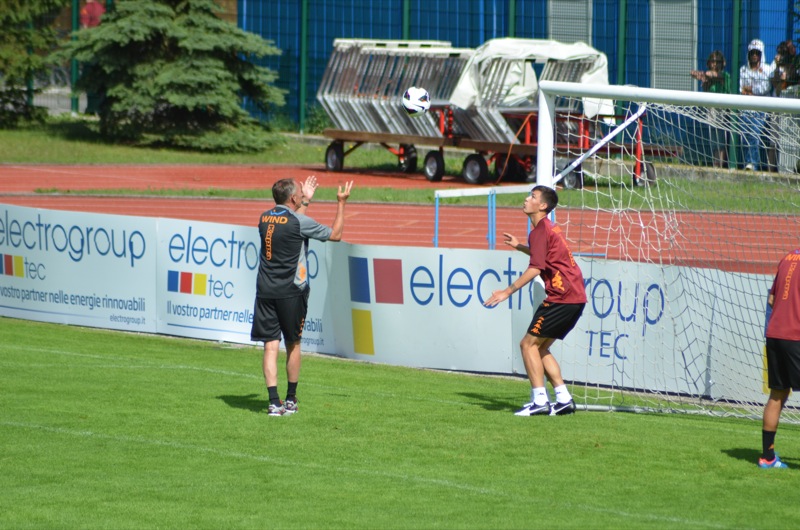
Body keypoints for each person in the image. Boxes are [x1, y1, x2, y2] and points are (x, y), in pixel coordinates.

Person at [251, 175, 354, 416]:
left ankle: (273, 402)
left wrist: (305, 200)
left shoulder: (264, 218)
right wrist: (341, 202)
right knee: (294, 344)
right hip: (291, 292)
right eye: (299, 192)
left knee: (270, 346)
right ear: (293, 198)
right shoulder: (297, 221)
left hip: (265, 290)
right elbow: (335, 234)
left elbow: (295, 220)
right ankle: (290, 399)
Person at [484, 185, 587, 416]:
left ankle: (540, 400)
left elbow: (536, 268)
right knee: (540, 348)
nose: (526, 199)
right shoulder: (546, 229)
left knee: (527, 344)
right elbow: (543, 256)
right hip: (575, 298)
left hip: (562, 298)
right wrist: (519, 246)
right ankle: (563, 399)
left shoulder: (541, 230)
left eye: (532, 196)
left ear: (542, 206)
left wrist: (507, 292)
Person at [759, 247, 800, 469]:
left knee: (777, 394)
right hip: (795, 336)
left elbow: (772, 299)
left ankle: (767, 457)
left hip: (774, 334)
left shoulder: (788, 258)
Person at [691, 50, 732, 167]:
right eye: (712, 62)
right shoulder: (708, 78)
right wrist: (704, 80)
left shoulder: (725, 75)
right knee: (713, 138)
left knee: (721, 138)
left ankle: (721, 163)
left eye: (717, 62)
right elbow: (694, 74)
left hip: (722, 110)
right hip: (711, 110)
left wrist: (705, 75)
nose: (715, 64)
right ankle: (715, 163)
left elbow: (715, 76)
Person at [739, 39, 774, 171]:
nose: (754, 55)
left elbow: (766, 87)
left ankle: (753, 164)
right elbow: (741, 89)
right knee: (745, 135)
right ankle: (748, 163)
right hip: (746, 107)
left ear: (761, 54)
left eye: (757, 52)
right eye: (752, 52)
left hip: (761, 108)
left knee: (754, 134)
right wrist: (752, 91)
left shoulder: (767, 69)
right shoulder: (743, 70)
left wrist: (751, 90)